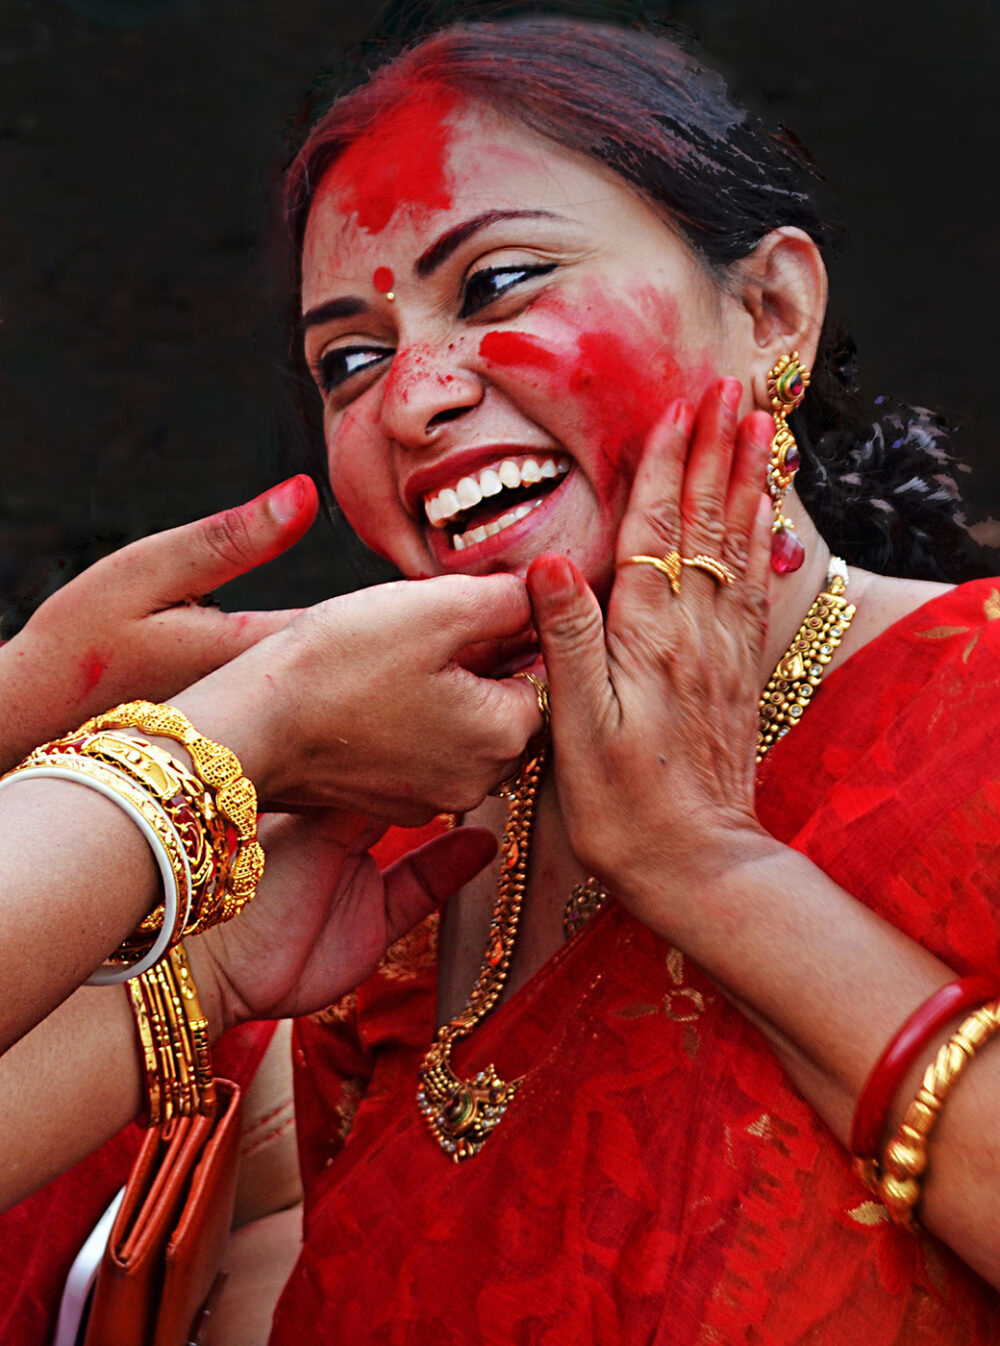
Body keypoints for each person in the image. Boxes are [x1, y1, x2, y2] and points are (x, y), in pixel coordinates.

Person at [3, 13, 1000, 1345]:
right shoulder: (392, 890)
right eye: (348, 362)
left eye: (498, 283)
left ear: (771, 312)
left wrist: (710, 869)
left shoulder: (977, 706)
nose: (411, 398)